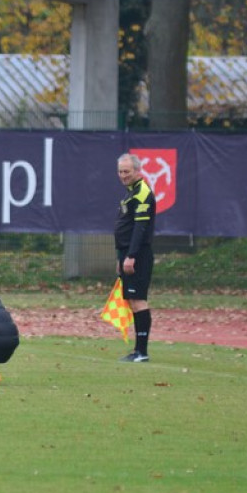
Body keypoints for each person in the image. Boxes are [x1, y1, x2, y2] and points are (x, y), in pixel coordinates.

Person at [115, 152, 156, 363]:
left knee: (139, 301)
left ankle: (142, 351)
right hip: (126, 255)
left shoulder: (142, 193)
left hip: (138, 255)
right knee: (132, 301)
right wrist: (119, 257)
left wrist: (131, 256)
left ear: (138, 171)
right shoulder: (131, 192)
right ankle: (138, 350)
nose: (123, 175)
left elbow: (140, 229)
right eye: (120, 171)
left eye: (127, 172)